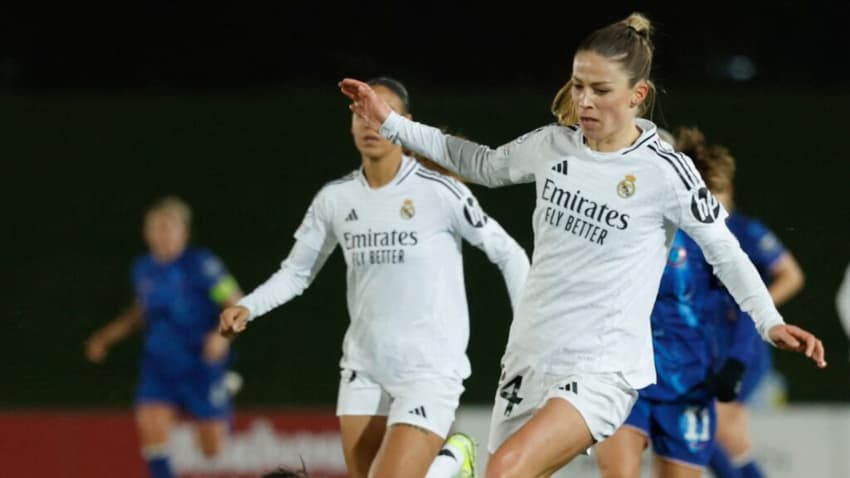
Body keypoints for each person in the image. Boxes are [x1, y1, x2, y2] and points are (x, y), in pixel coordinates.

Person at [338, 12, 826, 478]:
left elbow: (725, 250)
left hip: (602, 369)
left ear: (639, 94)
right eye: (578, 85)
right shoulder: (553, 146)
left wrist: (769, 321)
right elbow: (481, 163)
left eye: (600, 89)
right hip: (530, 355)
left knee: (508, 468)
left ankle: (448, 464)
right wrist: (392, 123)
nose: (585, 100)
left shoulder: (664, 171)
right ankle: (463, 461)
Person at [219, 77, 529, 478]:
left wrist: (527, 330)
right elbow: (296, 273)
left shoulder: (439, 191)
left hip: (428, 371)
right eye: (361, 114)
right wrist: (248, 306)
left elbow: (508, 253)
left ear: (405, 122)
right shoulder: (335, 199)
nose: (370, 124)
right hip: (363, 370)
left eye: (382, 114)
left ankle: (454, 461)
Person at [592, 128, 752, 478]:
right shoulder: (607, 227)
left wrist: (736, 363)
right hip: (624, 380)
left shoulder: (704, 231)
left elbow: (745, 299)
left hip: (687, 384)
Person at [672, 127, 805, 478]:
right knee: (718, 434)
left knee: (715, 427)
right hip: (701, 345)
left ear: (728, 190)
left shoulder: (745, 231)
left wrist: (759, 308)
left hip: (739, 345)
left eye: (716, 192)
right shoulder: (680, 234)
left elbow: (791, 274)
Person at [84, 196, 243, 478]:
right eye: (156, 228)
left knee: (212, 449)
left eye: (169, 227)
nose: (163, 235)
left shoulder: (204, 266)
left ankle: (224, 389)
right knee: (152, 435)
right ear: (146, 233)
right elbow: (140, 313)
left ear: (184, 232)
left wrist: (221, 337)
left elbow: (236, 303)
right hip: (159, 364)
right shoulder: (143, 270)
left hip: (200, 364)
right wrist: (105, 337)